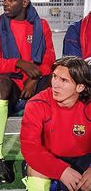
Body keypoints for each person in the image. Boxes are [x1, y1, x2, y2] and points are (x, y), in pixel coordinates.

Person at [0, 0, 56, 184]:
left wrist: (34, 78)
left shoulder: (41, 25)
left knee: (55, 81)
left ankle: (37, 157)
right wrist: (19, 63)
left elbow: (50, 60)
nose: (5, 3)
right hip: (12, 84)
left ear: (25, 2)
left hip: (35, 83)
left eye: (11, 0)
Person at [20, 56, 91, 191]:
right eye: (54, 77)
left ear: (80, 87)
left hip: (85, 160)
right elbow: (30, 147)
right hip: (49, 158)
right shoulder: (37, 104)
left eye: (64, 80)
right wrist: (61, 170)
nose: (55, 84)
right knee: (36, 172)